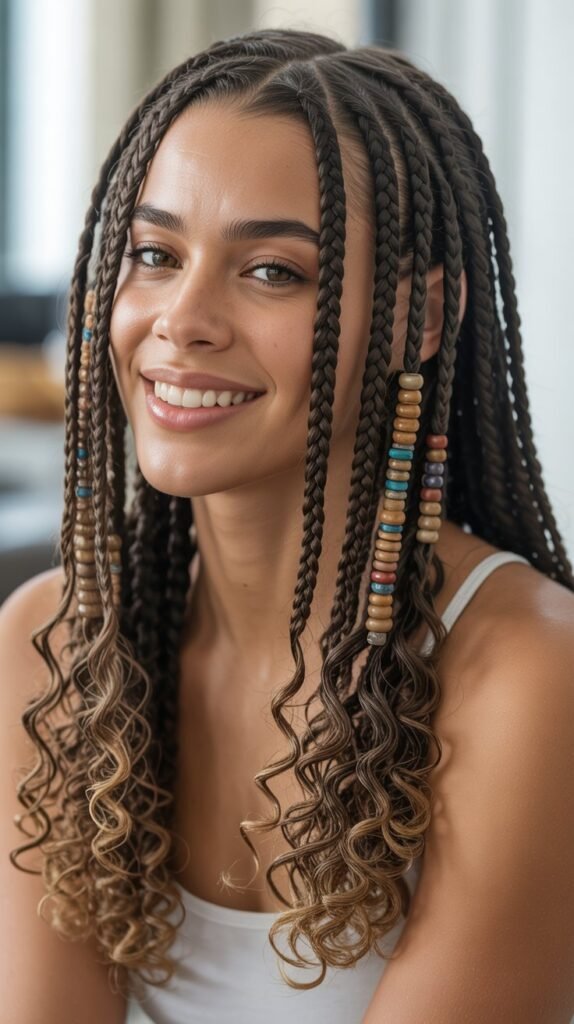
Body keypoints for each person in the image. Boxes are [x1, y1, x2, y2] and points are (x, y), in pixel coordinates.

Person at [1, 26, 573, 1024]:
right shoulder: (50, 645)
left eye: (272, 271)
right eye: (154, 253)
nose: (182, 318)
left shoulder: (527, 676)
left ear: (417, 318)